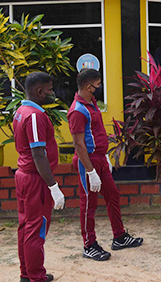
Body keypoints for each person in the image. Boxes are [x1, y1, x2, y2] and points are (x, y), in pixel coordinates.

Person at [68, 69, 143, 261]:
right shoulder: (77, 110)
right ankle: (89, 245)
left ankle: (119, 237)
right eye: (98, 85)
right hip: (88, 161)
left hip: (99, 158)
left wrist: (104, 156)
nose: (100, 88)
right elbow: (78, 144)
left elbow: (95, 132)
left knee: (112, 195)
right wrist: (90, 171)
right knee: (88, 204)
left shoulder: (92, 103)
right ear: (89, 87)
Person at [13, 72, 65, 282]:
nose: (53, 93)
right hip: (35, 179)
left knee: (26, 226)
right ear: (40, 91)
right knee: (36, 228)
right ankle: (36, 276)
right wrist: (53, 186)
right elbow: (38, 154)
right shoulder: (34, 116)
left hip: (24, 176)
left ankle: (27, 273)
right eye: (50, 90)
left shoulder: (21, 111)